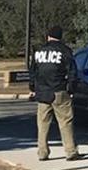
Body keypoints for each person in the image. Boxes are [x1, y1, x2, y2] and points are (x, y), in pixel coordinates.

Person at [30, 26, 82, 161]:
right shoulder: (65, 51)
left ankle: (42, 152)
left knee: (42, 124)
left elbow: (33, 72)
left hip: (43, 92)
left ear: (48, 36)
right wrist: (71, 89)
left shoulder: (39, 52)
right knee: (65, 122)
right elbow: (72, 73)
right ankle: (70, 151)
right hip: (60, 91)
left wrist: (33, 88)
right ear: (60, 37)